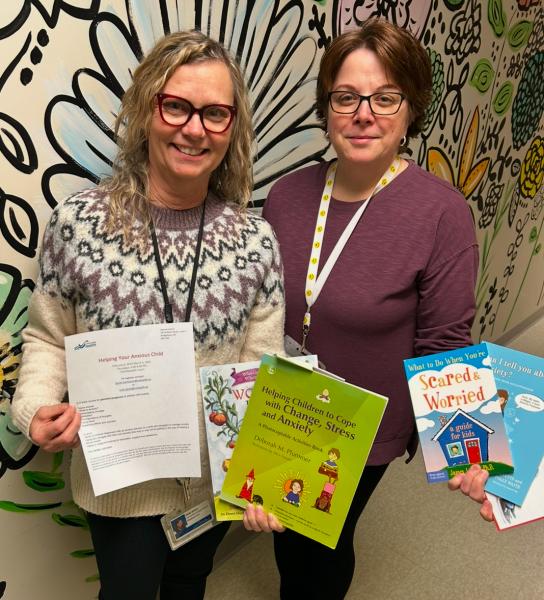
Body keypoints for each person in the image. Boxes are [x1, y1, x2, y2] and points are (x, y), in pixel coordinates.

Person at [11, 30, 285, 600]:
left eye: (215, 113)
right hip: (119, 485)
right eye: (177, 105)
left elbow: (263, 372)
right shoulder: (80, 224)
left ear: (232, 129)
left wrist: (268, 476)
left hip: (212, 487)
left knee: (189, 586)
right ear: (146, 110)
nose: (194, 128)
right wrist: (37, 407)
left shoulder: (256, 242)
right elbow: (48, 338)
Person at [247, 17, 479, 599]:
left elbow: (445, 341)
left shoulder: (440, 214)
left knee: (319, 542)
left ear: (410, 108)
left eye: (385, 97)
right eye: (346, 97)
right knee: (288, 532)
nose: (363, 113)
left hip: (364, 422)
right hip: (288, 405)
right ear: (327, 106)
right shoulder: (288, 196)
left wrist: (469, 449)